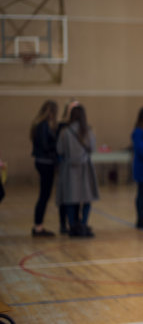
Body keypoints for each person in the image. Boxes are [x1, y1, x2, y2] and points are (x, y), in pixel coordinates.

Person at [56, 105, 99, 237]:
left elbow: (60, 150)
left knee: (70, 198)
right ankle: (84, 224)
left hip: (69, 168)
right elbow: (92, 148)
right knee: (86, 198)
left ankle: (73, 226)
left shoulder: (65, 132)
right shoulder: (88, 131)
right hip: (85, 167)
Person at [30, 100, 59, 237]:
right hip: (45, 162)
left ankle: (38, 225)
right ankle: (38, 226)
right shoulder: (43, 126)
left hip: (44, 161)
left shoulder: (41, 125)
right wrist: (57, 145)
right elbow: (45, 145)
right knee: (44, 195)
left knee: (44, 195)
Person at [56, 98, 79, 233]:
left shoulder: (81, 126)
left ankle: (75, 222)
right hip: (65, 165)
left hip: (78, 166)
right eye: (72, 107)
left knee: (77, 195)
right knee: (64, 196)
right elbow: (59, 148)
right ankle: (63, 224)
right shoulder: (62, 127)